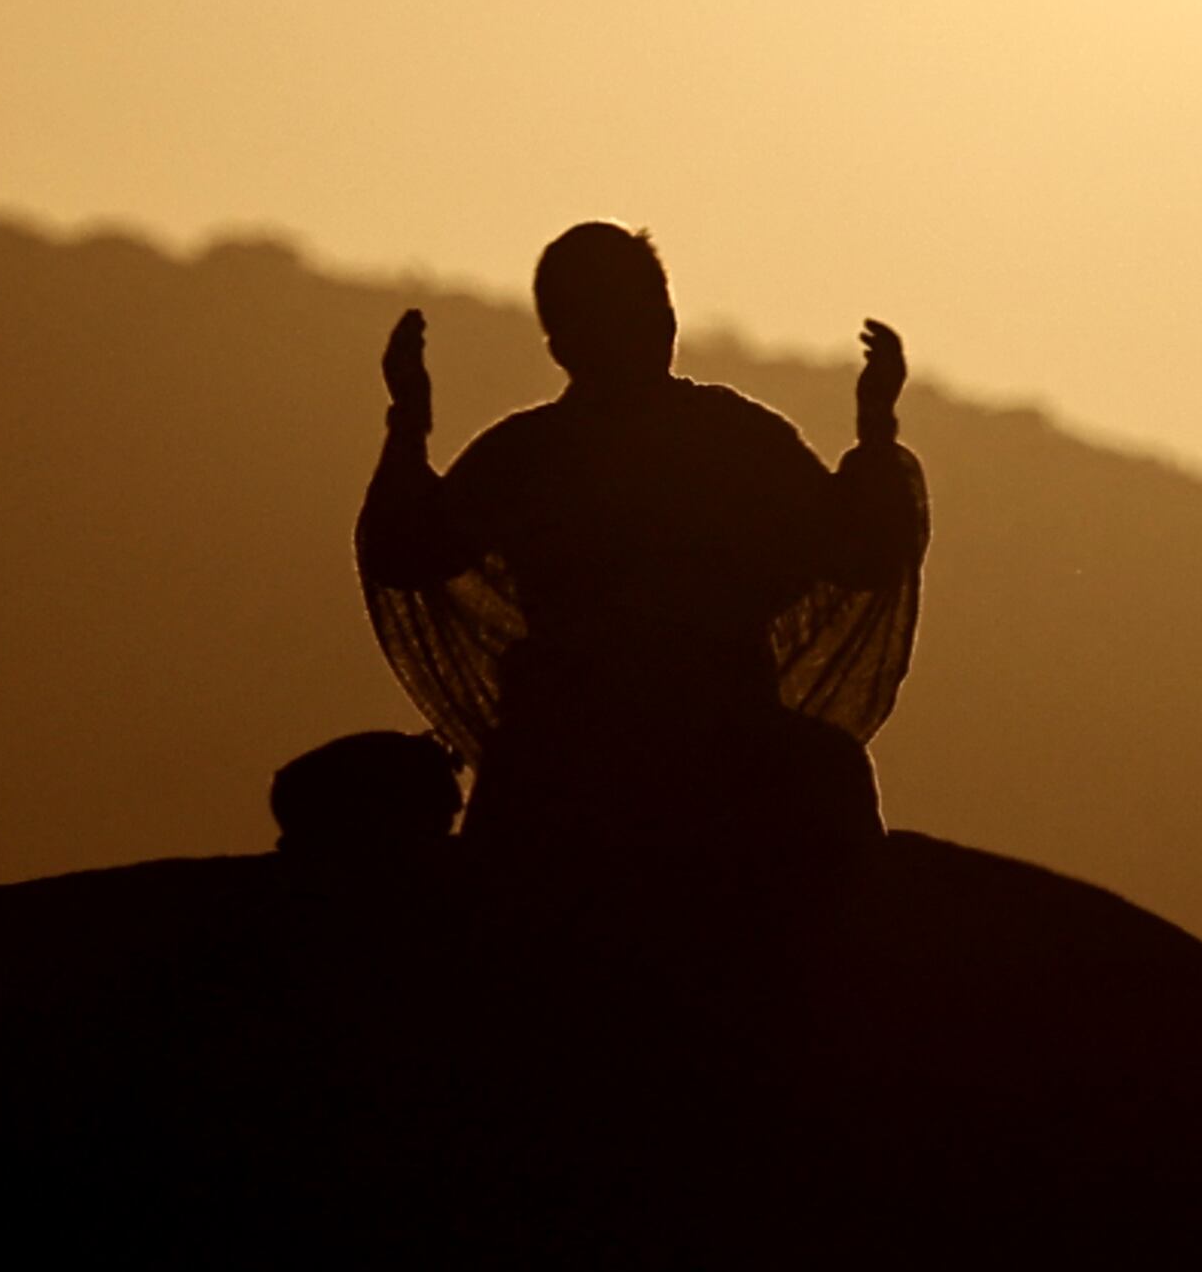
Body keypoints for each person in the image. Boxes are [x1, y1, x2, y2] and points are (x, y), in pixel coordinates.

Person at [356, 221, 927, 867]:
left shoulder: (535, 451)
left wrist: (407, 425)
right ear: (562, 340)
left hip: (577, 749)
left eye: (654, 306)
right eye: (623, 311)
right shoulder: (724, 438)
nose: (651, 326)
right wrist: (876, 432)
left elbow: (859, 553)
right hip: (665, 742)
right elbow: (863, 550)